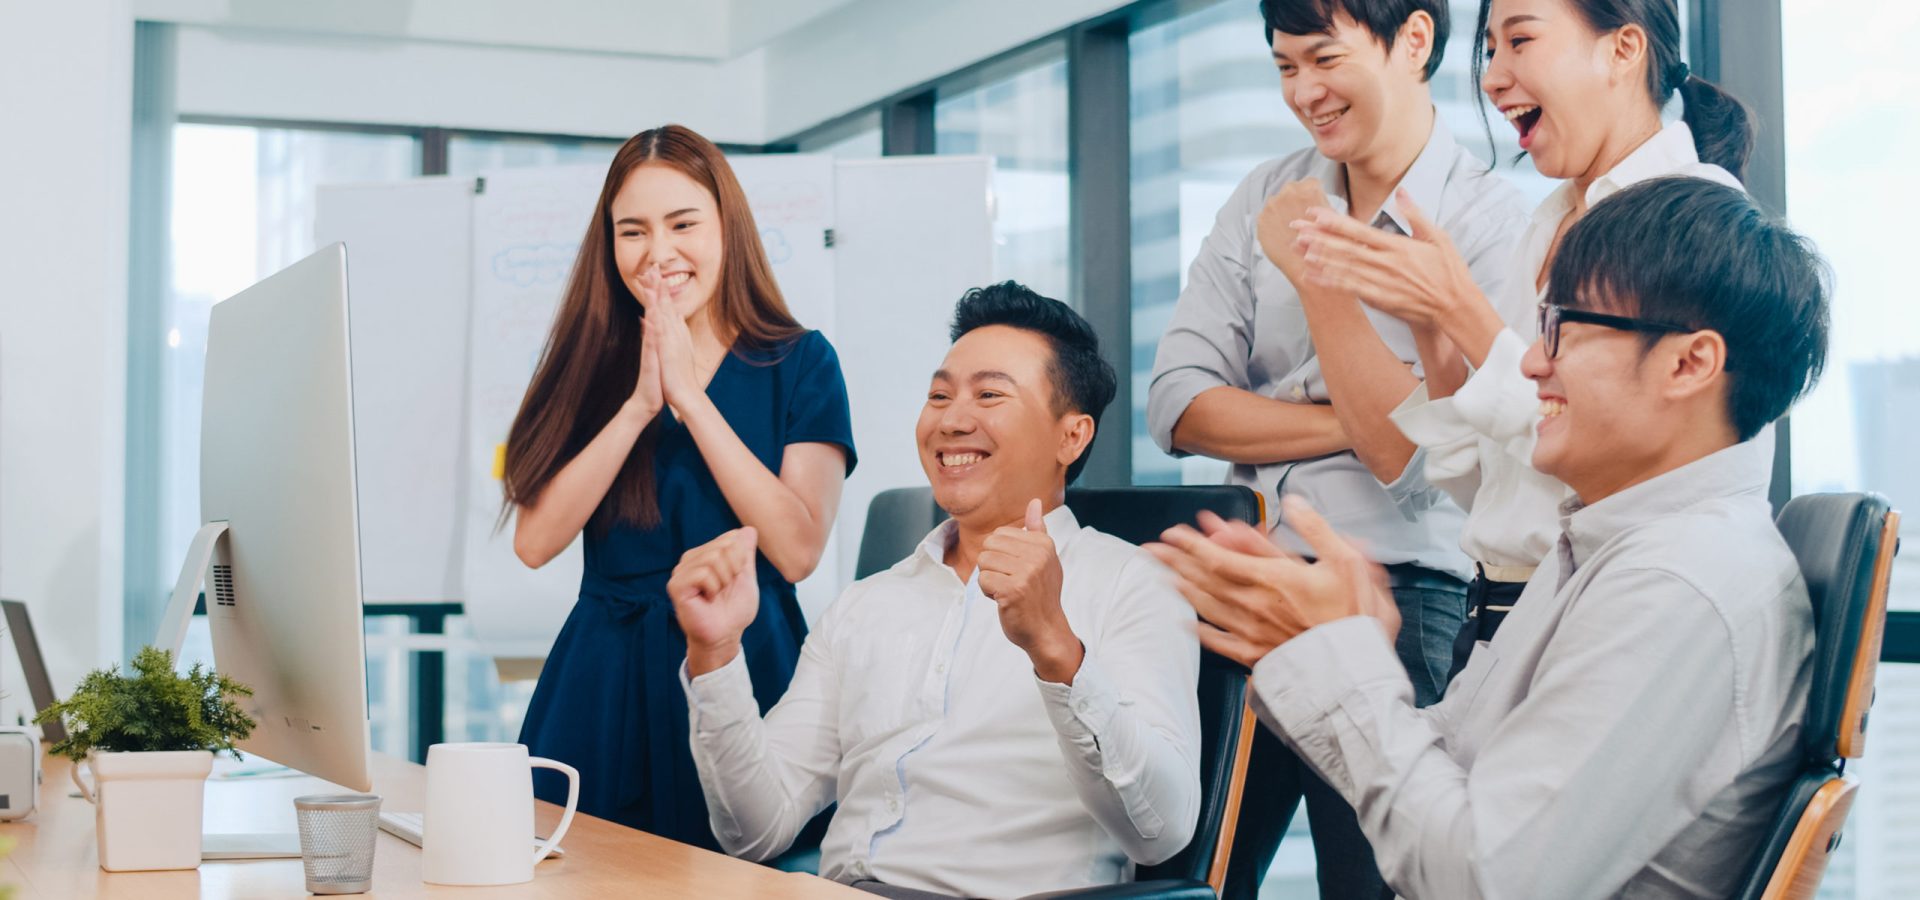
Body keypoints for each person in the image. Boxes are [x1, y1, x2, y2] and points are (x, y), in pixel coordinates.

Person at [1154, 176, 1830, 899]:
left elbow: (1482, 878)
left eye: (1561, 331)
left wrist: (1341, 658)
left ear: (1689, 363)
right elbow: (1457, 756)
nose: (1533, 364)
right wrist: (1332, 646)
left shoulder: (1677, 585)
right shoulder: (1615, 546)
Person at [1145, 1, 1527, 894]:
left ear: (1415, 42)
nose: (1304, 93)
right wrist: (1360, 412)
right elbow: (1177, 405)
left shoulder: (1484, 225)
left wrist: (1317, 287)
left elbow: (1418, 464)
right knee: (1188, 877)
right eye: (1284, 68)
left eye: (1323, 59)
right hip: (1244, 587)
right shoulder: (1264, 197)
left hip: (1399, 595)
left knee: (1377, 883)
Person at [669, 283, 1201, 899]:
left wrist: (1057, 651)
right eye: (939, 395)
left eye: (990, 395)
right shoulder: (867, 605)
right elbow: (755, 831)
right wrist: (716, 655)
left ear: (1071, 437)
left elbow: (1160, 830)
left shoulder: (1135, 584)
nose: (951, 420)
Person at [1290, 0, 1756, 670]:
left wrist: (1458, 308)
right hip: (1497, 620)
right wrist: (1431, 329)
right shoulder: (1547, 222)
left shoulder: (1695, 218)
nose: (1491, 77)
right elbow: (1491, 486)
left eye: (1521, 40)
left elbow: (1612, 457)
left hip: (1595, 620)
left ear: (1623, 51)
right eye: (1489, 49)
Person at [501, 124, 856, 847]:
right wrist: (640, 406)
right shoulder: (584, 362)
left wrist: (691, 399)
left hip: (742, 665)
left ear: (727, 227)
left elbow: (796, 549)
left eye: (682, 224)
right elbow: (535, 542)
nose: (658, 253)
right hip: (601, 680)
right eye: (632, 231)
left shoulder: (802, 361)